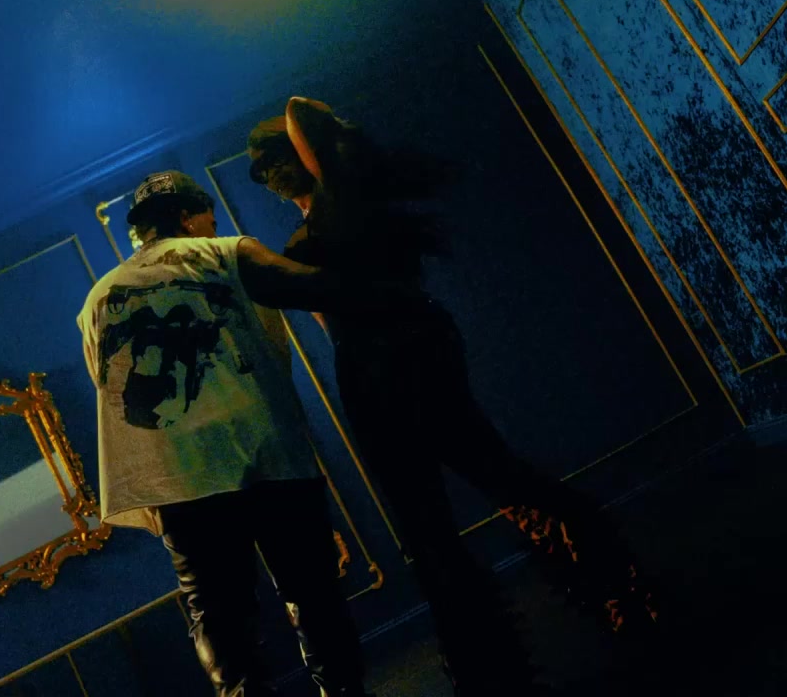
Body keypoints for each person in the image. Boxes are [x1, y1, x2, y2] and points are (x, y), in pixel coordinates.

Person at [246, 98, 659, 695]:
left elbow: (300, 110)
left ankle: (609, 596)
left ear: (305, 154)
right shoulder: (312, 228)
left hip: (407, 353)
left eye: (274, 159)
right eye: (260, 170)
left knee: (490, 487)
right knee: (441, 520)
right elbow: (329, 321)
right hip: (375, 364)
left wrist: (309, 137)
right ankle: (504, 662)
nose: (267, 175)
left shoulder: (346, 199)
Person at [77, 170, 383, 697]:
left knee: (216, 617)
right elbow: (315, 286)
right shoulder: (224, 252)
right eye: (209, 219)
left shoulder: (97, 301)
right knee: (312, 591)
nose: (213, 227)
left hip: (178, 479)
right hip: (266, 455)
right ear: (186, 217)